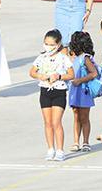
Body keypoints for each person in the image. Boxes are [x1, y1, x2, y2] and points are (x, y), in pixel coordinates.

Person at [30, 29, 74, 162]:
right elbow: (32, 72)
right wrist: (40, 76)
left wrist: (59, 76)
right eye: (46, 43)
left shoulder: (63, 58)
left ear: (58, 44)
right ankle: (50, 149)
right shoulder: (41, 57)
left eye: (51, 44)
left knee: (56, 122)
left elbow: (71, 74)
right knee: (47, 122)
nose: (48, 47)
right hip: (45, 91)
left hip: (59, 91)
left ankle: (60, 150)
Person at [67, 31, 99, 153]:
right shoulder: (75, 57)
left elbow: (94, 73)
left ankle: (85, 141)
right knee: (76, 116)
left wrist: (80, 80)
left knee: (84, 117)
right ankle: (76, 142)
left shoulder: (85, 58)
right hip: (75, 90)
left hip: (83, 90)